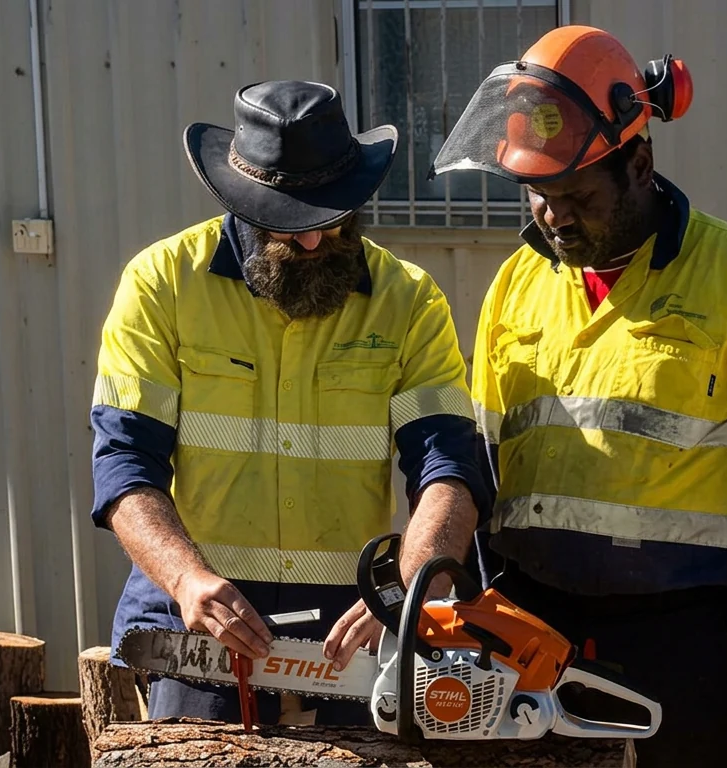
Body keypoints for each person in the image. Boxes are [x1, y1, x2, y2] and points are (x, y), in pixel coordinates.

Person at [430, 26, 727, 768]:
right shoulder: (514, 287)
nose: (553, 218)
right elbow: (473, 474)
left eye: (576, 196)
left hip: (682, 648)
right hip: (527, 632)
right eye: (538, 196)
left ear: (639, 164)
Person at [90, 80, 490, 726]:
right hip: (203, 633)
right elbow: (125, 471)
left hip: (353, 637)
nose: (313, 243)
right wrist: (188, 579)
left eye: (331, 220)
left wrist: (408, 585)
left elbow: (449, 471)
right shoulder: (160, 287)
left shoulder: (410, 302)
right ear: (244, 203)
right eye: (293, 227)